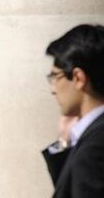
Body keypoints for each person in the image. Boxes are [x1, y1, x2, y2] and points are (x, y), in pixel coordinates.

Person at [42, 24, 104, 198]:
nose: (52, 89)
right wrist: (64, 143)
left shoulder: (95, 149)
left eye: (55, 77)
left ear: (78, 78)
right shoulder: (92, 137)